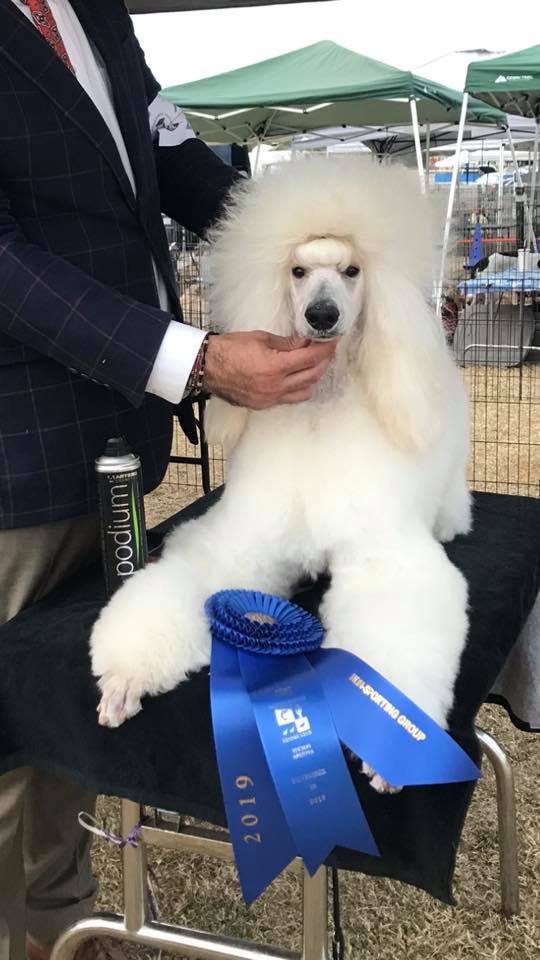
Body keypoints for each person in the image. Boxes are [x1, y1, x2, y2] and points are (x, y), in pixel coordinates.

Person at [0, 2, 336, 959]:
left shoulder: (96, 13)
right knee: (3, 735)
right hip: (12, 459)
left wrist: (325, 244)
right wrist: (193, 359)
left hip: (112, 443)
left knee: (69, 709)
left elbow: (179, 164)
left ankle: (57, 920)